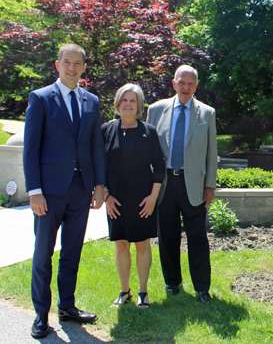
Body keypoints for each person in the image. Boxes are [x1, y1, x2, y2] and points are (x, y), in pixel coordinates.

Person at [23, 44, 106, 338]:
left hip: (81, 191)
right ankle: (41, 313)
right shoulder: (41, 98)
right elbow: (30, 149)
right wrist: (34, 191)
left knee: (72, 252)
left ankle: (67, 307)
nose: (72, 68)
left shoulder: (92, 101)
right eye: (66, 62)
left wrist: (99, 185)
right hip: (48, 192)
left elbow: (96, 146)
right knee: (43, 254)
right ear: (57, 65)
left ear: (84, 67)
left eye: (77, 63)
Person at [147, 65, 217, 304]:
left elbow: (211, 152)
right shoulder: (155, 110)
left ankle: (202, 288)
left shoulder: (207, 114)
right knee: (167, 237)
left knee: (198, 238)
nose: (186, 87)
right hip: (164, 184)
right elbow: (149, 152)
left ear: (196, 86)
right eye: (181, 82)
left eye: (191, 83)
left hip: (194, 185)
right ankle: (172, 283)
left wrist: (210, 186)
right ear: (174, 83)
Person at [101, 84, 165, 309]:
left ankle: (143, 291)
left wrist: (153, 197)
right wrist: (106, 195)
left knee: (142, 244)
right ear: (117, 104)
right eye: (124, 100)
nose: (128, 104)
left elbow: (159, 165)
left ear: (139, 105)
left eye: (133, 100)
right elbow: (99, 166)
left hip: (143, 200)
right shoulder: (106, 131)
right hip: (115, 200)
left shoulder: (149, 131)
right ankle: (124, 290)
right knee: (120, 244)